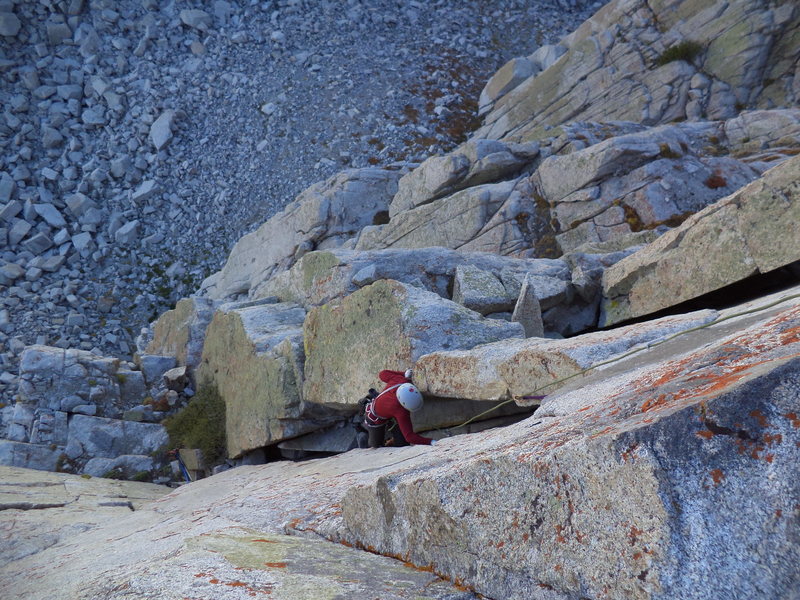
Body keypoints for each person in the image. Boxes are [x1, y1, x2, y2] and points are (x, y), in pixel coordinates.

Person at [361, 368, 435, 448]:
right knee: (375, 445)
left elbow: (382, 374)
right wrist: (431, 442)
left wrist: (404, 374)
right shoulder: (401, 411)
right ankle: (364, 440)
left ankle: (390, 438)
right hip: (374, 419)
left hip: (382, 409)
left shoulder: (400, 380)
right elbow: (409, 437)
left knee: (400, 441)